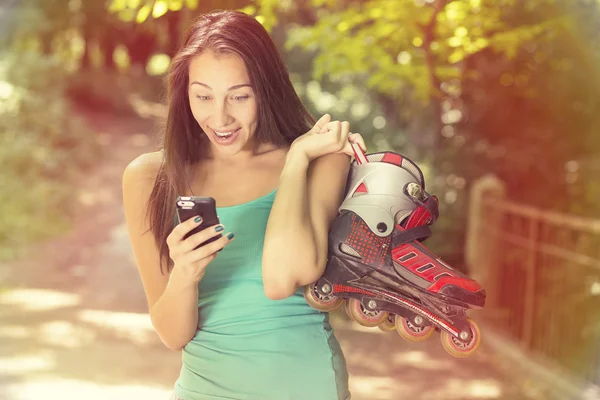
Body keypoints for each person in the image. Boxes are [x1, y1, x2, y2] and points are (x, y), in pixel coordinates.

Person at [122, 9, 366, 400]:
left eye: (239, 96)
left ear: (265, 90)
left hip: (307, 387)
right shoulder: (150, 179)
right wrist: (185, 273)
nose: (220, 117)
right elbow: (172, 334)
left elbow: (284, 277)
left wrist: (296, 162)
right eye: (203, 96)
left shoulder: (322, 159)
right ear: (184, 93)